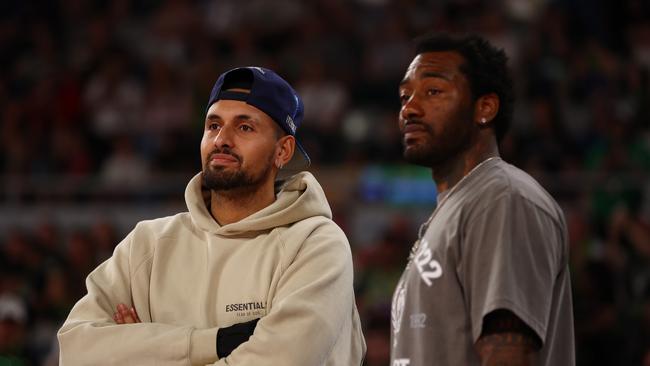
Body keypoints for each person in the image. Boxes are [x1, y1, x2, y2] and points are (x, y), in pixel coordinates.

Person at [58, 66, 366, 365]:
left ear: (283, 151)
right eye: (213, 125)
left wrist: (144, 350)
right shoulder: (147, 244)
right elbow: (74, 351)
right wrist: (216, 342)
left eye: (245, 127)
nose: (221, 140)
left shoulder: (316, 244)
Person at [390, 33, 575, 365]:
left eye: (432, 91)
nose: (410, 109)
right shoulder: (460, 206)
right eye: (405, 96)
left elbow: (507, 354)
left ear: (485, 108)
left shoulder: (502, 200)